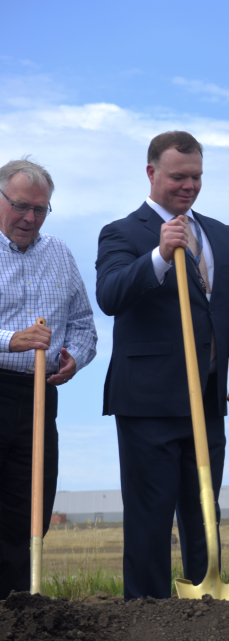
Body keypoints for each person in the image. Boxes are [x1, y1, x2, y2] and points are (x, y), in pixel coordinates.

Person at [96, 132, 229, 599]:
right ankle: (147, 610)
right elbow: (110, 296)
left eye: (196, 177)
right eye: (178, 177)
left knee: (204, 505)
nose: (189, 186)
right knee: (150, 513)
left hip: (207, 396)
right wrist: (160, 256)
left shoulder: (221, 235)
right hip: (148, 399)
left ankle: (206, 597)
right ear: (152, 173)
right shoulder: (122, 233)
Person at [0, 159, 97, 597]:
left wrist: (74, 357)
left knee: (30, 509)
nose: (29, 218)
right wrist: (10, 340)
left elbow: (83, 324)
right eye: (21, 206)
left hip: (39, 396)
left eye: (40, 210)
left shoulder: (58, 252)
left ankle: (19, 608)